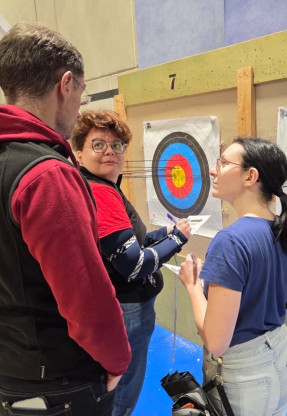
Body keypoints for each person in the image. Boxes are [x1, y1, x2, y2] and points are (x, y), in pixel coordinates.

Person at [0, 22, 131, 415]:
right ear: (66, 84)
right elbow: (86, 297)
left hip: (13, 367)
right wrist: (117, 359)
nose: (79, 106)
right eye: (82, 93)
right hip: (59, 382)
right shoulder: (47, 175)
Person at [70, 109, 191, 416]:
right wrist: (178, 239)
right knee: (123, 391)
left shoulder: (97, 186)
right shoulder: (102, 193)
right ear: (80, 154)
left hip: (117, 306)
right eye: (98, 144)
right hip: (128, 309)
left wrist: (164, 234)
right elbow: (134, 265)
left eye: (117, 145)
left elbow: (125, 243)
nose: (110, 151)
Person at [178, 137, 287, 416]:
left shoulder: (231, 241)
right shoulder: (285, 232)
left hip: (246, 378)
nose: (214, 170)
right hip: (281, 359)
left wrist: (193, 285)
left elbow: (216, 342)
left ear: (250, 176)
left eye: (223, 163)